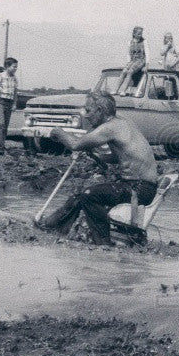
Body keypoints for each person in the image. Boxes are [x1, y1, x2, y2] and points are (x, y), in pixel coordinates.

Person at [42, 92, 159, 246]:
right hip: (143, 186)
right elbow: (125, 157)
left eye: (89, 110)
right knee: (80, 196)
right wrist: (98, 157)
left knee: (89, 195)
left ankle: (103, 243)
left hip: (139, 189)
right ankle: (52, 226)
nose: (86, 115)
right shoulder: (122, 122)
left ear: (100, 111)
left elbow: (75, 144)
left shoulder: (110, 128)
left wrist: (58, 132)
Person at [118, 26, 146, 92]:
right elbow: (128, 53)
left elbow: (147, 54)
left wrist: (146, 65)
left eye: (141, 34)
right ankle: (116, 90)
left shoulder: (144, 42)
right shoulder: (130, 42)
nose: (140, 35)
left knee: (130, 72)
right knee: (124, 71)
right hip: (132, 61)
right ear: (134, 34)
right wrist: (128, 62)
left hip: (140, 60)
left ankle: (123, 91)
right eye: (139, 34)